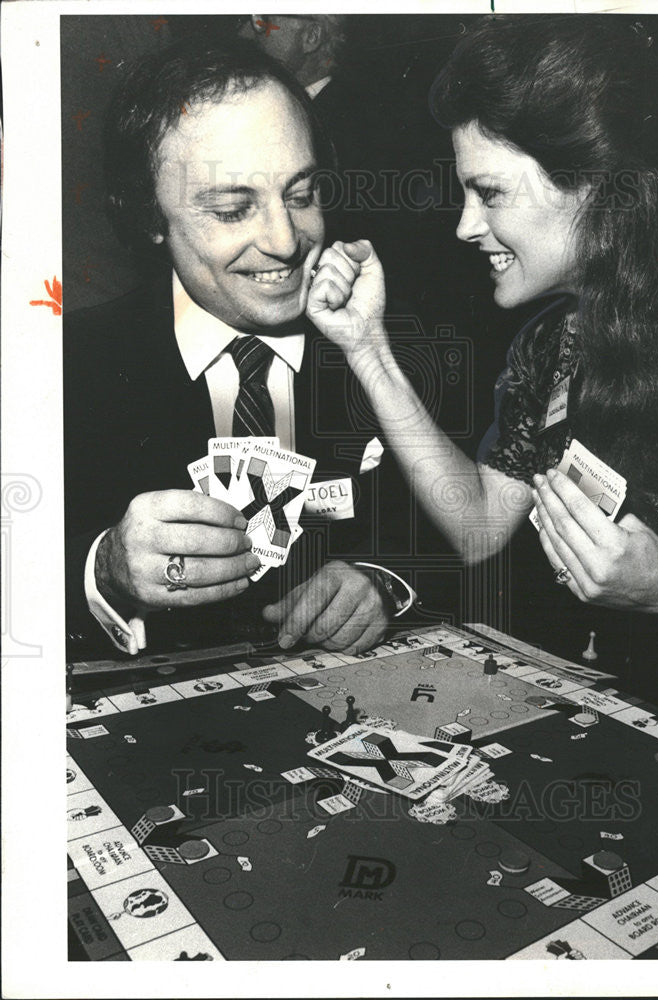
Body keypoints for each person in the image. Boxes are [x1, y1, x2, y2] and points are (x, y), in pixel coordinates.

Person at [305, 16, 658, 740]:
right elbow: (480, 526)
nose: (465, 226)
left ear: (597, 186)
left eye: (489, 193)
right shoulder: (554, 341)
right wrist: (368, 347)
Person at [64, 40, 424, 661]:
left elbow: (465, 539)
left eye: (303, 195)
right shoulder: (65, 367)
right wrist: (106, 570)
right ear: (150, 217)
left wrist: (384, 584)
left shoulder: (391, 340)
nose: (286, 242)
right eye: (233, 210)